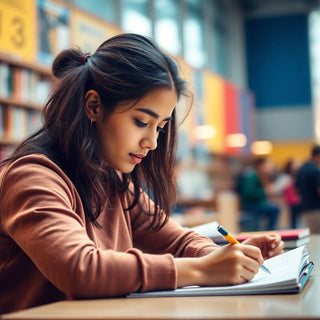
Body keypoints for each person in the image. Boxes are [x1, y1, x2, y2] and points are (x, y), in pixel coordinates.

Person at [0, 33, 284, 314]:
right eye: (141, 121)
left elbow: (176, 239)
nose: (153, 142)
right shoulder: (29, 177)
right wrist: (201, 269)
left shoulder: (112, 179)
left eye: (159, 127)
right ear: (94, 106)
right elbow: (80, 269)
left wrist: (224, 257)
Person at [238, 157, 280, 231]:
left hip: (258, 203)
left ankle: (270, 230)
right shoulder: (252, 176)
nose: (270, 168)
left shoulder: (262, 176)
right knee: (275, 209)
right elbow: (248, 192)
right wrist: (264, 191)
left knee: (275, 207)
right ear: (261, 166)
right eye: (268, 166)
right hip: (250, 205)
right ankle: (270, 231)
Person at [295, 145, 320, 233]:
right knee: (317, 235)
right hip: (316, 209)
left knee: (312, 235)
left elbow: (296, 190)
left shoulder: (301, 169)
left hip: (305, 208)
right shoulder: (315, 170)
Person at [282, 159, 301, 229]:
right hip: (291, 201)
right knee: (293, 220)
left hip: (298, 201)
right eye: (294, 164)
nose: (296, 166)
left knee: (299, 219)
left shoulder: (298, 176)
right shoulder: (285, 177)